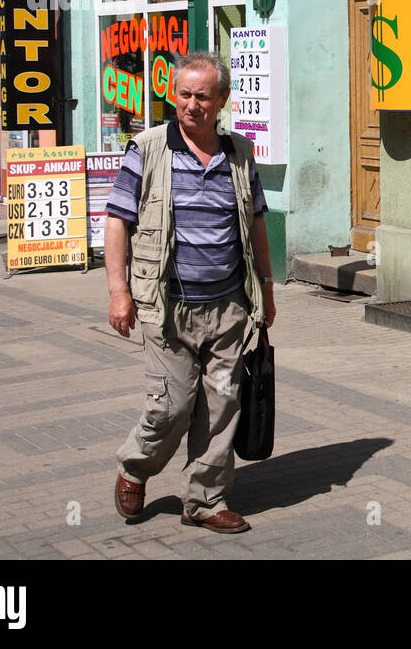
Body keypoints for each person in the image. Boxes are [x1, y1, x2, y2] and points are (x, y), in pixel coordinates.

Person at [105, 51, 276, 534]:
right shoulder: (148, 148)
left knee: (222, 406)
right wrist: (119, 292)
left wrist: (264, 290)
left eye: (203, 96)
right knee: (173, 406)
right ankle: (134, 467)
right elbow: (118, 221)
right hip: (167, 307)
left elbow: (255, 225)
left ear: (222, 100)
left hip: (229, 307)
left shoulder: (239, 154)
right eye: (184, 94)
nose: (192, 105)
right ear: (173, 94)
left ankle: (204, 501)